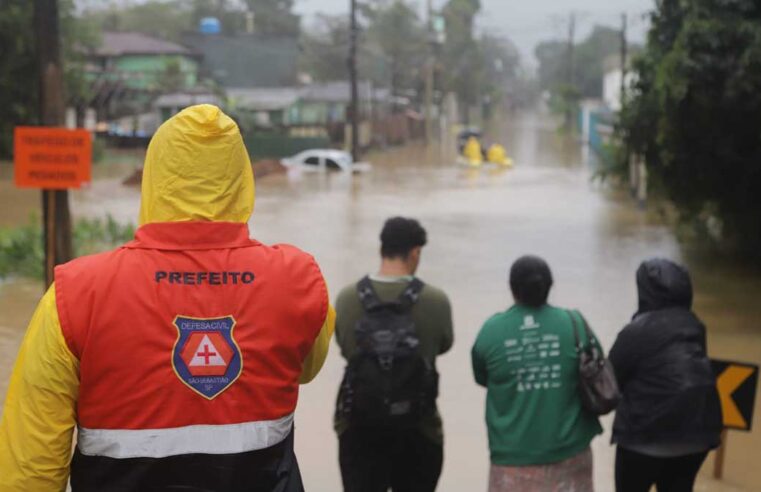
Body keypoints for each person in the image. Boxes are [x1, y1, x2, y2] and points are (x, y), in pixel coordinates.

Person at [0, 105, 335, 492]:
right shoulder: (297, 280)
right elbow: (306, 368)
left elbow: (31, 465)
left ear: (155, 177)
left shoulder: (75, 295)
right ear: (241, 179)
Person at [333, 217, 453, 492]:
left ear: (381, 249)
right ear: (415, 253)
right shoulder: (436, 300)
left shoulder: (347, 298)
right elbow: (443, 345)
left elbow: (345, 347)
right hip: (419, 430)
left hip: (358, 428)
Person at [472, 255, 603, 492]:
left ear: (512, 288)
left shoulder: (491, 331)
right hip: (570, 454)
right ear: (550, 286)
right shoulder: (576, 324)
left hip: (511, 459)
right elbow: (598, 369)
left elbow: (482, 378)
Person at [609, 258, 722, 492]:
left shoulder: (635, 332)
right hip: (697, 436)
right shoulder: (694, 325)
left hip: (642, 440)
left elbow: (610, 381)